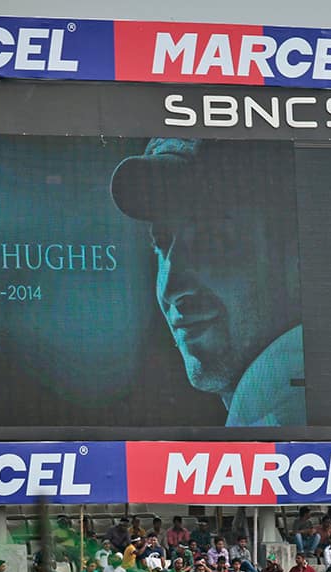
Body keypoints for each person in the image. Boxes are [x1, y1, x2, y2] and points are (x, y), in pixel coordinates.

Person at [111, 137, 304, 427]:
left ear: (297, 255)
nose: (171, 287)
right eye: (161, 244)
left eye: (211, 240)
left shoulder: (280, 408)